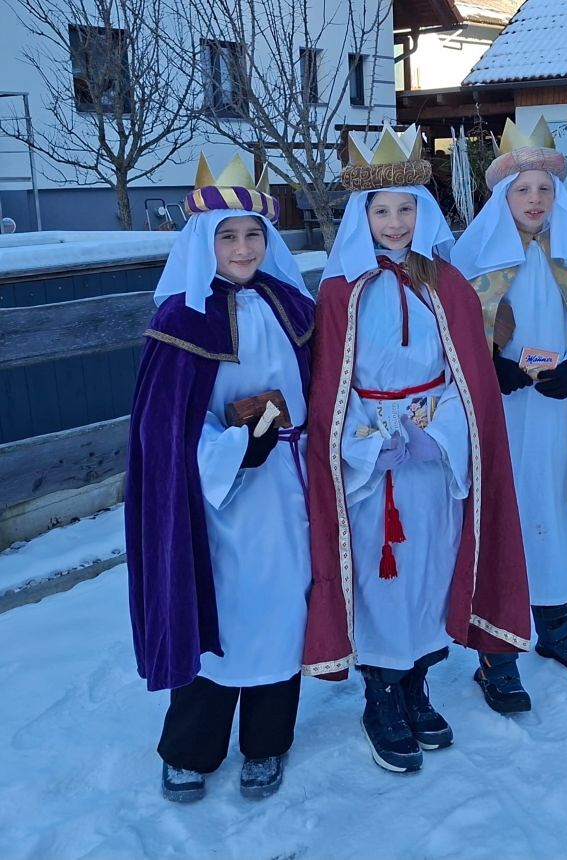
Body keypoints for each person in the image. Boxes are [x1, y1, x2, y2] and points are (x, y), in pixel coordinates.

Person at [301, 126, 530, 773]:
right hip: (370, 464)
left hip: (433, 460)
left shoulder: (447, 285)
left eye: (406, 209)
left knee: (431, 567)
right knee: (380, 579)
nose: (395, 222)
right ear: (362, 216)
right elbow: (330, 386)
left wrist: (440, 436)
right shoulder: (339, 290)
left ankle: (417, 686)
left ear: (423, 212)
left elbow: (467, 377)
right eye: (382, 210)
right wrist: (366, 445)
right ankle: (381, 696)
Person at [125, 155, 315, 801]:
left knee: (283, 610)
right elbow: (163, 427)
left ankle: (267, 743)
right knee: (220, 618)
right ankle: (191, 748)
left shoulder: (294, 306)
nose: (242, 248)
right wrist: (235, 450)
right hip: (216, 503)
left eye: (253, 234)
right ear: (203, 242)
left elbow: (321, 390)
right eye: (227, 236)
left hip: (290, 490)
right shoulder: (182, 319)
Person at [451, 117, 567, 714]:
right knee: (502, 519)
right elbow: (454, 339)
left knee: (552, 518)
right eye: (523, 189)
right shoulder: (473, 264)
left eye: (545, 189)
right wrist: (488, 369)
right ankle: (497, 652)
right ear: (503, 197)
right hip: (497, 417)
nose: (535, 199)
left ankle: (557, 627)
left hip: (551, 416)